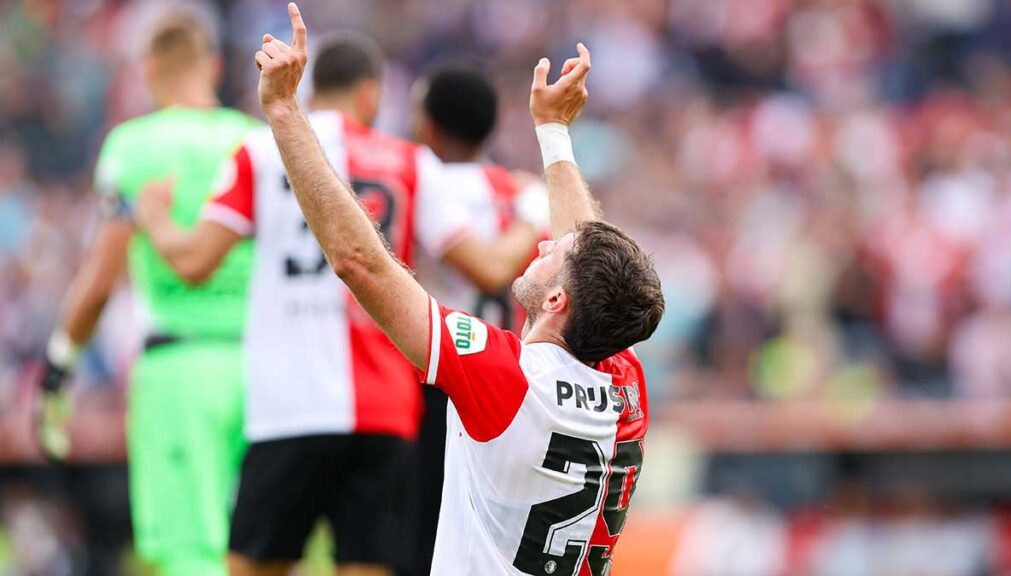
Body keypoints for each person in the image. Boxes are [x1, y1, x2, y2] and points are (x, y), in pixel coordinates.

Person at [253, 5, 664, 575]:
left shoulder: (505, 376)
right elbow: (583, 251)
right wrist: (553, 134)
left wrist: (284, 113)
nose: (543, 244)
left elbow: (360, 263)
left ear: (556, 302)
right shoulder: (624, 377)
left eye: (553, 252)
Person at [136, 32, 542, 576]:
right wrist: (532, 215)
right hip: (385, 411)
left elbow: (193, 263)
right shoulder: (409, 162)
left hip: (287, 406)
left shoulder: (259, 150)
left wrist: (156, 218)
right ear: (370, 95)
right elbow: (490, 267)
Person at [34, 8, 258, 576]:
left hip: (179, 370)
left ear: (150, 68)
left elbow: (102, 277)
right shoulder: (258, 140)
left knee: (190, 551)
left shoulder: (133, 147)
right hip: (265, 367)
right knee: (264, 549)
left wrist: (59, 367)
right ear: (212, 64)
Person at [409, 65, 549, 575]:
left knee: (425, 526)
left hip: (435, 376)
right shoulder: (524, 193)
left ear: (427, 125)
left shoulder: (419, 181)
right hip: (508, 379)